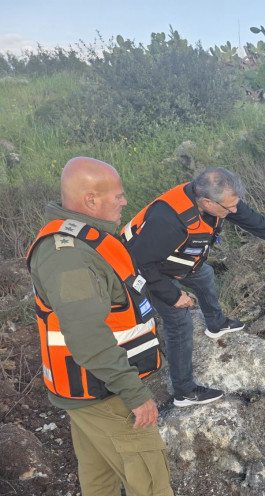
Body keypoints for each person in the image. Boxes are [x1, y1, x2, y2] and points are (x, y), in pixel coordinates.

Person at [123, 167, 265, 407]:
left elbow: (258, 223)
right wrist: (172, 295)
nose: (234, 211)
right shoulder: (168, 221)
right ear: (206, 201)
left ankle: (216, 323)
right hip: (142, 267)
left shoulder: (220, 201)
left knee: (204, 273)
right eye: (229, 208)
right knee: (180, 320)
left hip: (175, 259)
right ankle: (184, 391)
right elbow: (139, 262)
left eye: (236, 205)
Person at [26, 157, 172, 496]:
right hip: (105, 392)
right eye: (118, 196)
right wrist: (135, 394)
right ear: (90, 200)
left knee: (100, 480)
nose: (124, 202)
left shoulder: (87, 238)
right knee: (151, 484)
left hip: (92, 389)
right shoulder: (70, 256)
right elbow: (87, 336)